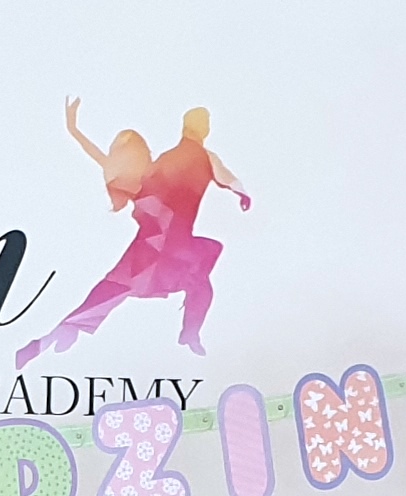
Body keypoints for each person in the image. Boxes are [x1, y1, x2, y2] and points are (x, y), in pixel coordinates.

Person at [14, 97, 249, 365]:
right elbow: (227, 177)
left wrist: (74, 129)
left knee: (111, 291)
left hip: (151, 245)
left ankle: (45, 342)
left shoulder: (160, 165)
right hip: (171, 247)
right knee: (200, 276)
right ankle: (189, 333)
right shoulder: (199, 158)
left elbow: (106, 162)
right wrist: (241, 193)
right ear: (202, 128)